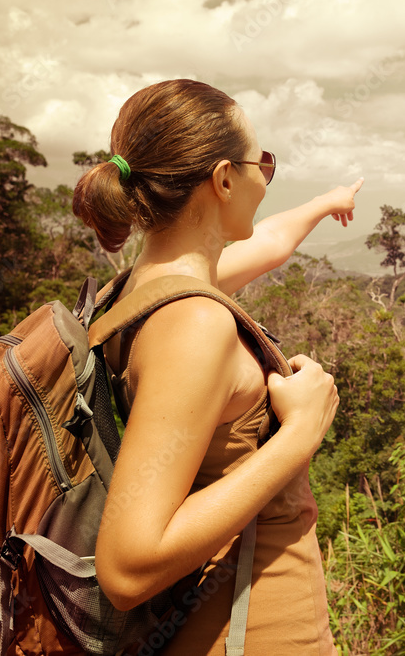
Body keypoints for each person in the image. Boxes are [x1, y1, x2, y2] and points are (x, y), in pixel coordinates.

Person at [72, 78, 362, 654]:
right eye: (263, 163)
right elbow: (127, 567)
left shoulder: (138, 290)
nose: (266, 179)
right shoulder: (195, 324)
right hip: (253, 634)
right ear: (225, 179)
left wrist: (327, 202)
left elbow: (271, 240)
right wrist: (300, 433)